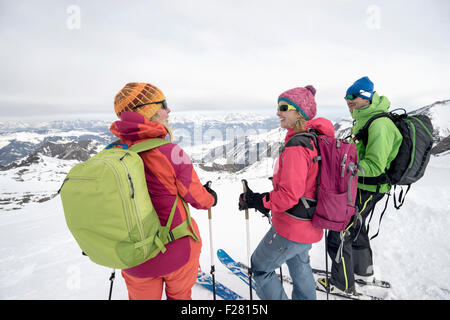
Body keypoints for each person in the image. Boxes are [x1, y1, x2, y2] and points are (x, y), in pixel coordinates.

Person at [110, 82, 217, 300]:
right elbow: (198, 199)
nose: (168, 110)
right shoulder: (169, 152)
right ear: (148, 110)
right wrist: (212, 198)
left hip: (134, 256)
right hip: (176, 252)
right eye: (163, 104)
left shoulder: (112, 154)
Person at [238, 85, 335, 300]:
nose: (278, 113)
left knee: (261, 267)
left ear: (299, 112)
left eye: (283, 107)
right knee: (300, 265)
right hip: (310, 223)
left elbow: (289, 195)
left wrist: (258, 200)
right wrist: (265, 200)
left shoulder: (297, 146)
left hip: (292, 226)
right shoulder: (316, 139)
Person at [317, 76, 403, 294]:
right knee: (357, 227)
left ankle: (341, 284)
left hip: (369, 187)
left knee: (339, 231)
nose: (348, 101)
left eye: (352, 97)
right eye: (346, 97)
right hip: (363, 186)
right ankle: (363, 273)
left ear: (365, 96)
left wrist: (345, 167)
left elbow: (374, 164)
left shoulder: (380, 124)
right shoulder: (366, 120)